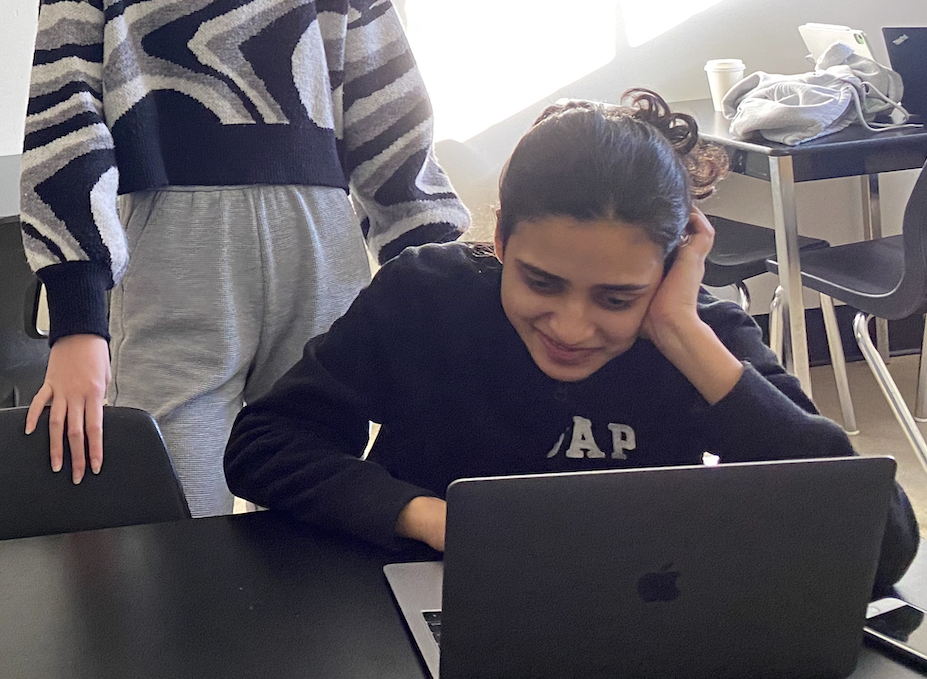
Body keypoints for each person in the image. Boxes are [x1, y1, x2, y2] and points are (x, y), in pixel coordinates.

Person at [20, 0, 469, 516]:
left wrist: (428, 259)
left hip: (322, 249)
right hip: (170, 256)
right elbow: (65, 106)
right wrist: (78, 317)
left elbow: (383, 97)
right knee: (176, 525)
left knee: (315, 507)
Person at [224, 89, 918, 591]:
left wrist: (683, 333)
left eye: (618, 298)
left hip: (637, 607)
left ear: (674, 268)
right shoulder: (426, 295)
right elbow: (266, 444)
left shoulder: (696, 335)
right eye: (541, 283)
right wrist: (432, 518)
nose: (572, 327)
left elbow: (880, 542)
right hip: (433, 592)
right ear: (499, 241)